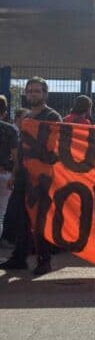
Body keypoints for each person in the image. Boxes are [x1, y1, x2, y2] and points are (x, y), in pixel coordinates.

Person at [0, 76, 62, 275]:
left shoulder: (52, 116)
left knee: (39, 218)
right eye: (29, 91)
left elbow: (54, 147)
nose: (33, 94)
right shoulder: (27, 118)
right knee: (20, 217)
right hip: (23, 175)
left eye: (37, 91)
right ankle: (19, 257)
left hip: (42, 176)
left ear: (45, 94)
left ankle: (44, 260)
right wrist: (15, 173)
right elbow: (22, 149)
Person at [0, 96, 18, 245]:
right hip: (4, 174)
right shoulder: (10, 129)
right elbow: (16, 156)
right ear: (4, 112)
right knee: (0, 214)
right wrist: (14, 175)